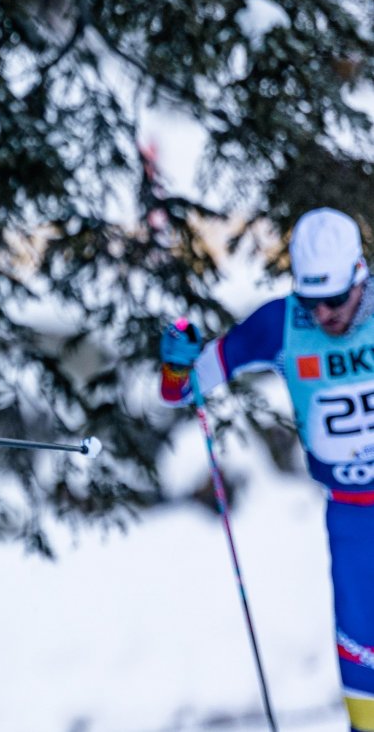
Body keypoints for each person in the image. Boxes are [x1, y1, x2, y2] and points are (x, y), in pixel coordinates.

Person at [160, 207, 374, 732]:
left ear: (360, 277)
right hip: (351, 515)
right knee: (360, 645)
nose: (323, 314)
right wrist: (176, 361)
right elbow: (183, 389)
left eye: (334, 300)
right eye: (311, 300)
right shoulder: (283, 324)